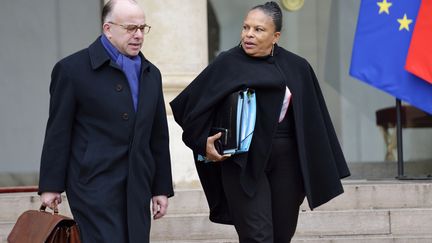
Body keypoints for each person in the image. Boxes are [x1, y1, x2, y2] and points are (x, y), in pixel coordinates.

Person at [170, 2, 350, 242]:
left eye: (258, 29)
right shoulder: (227, 63)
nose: (249, 35)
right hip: (242, 163)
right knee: (258, 237)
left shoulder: (297, 67)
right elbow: (188, 106)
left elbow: (314, 121)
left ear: (276, 36)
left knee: (281, 236)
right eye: (246, 28)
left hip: (287, 162)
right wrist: (203, 142)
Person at [38, 0, 174, 242]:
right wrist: (51, 185)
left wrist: (160, 188)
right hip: (92, 182)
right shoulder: (71, 70)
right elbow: (58, 131)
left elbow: (157, 136)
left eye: (143, 28)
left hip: (137, 184)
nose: (139, 35)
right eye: (131, 28)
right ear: (108, 28)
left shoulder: (151, 73)